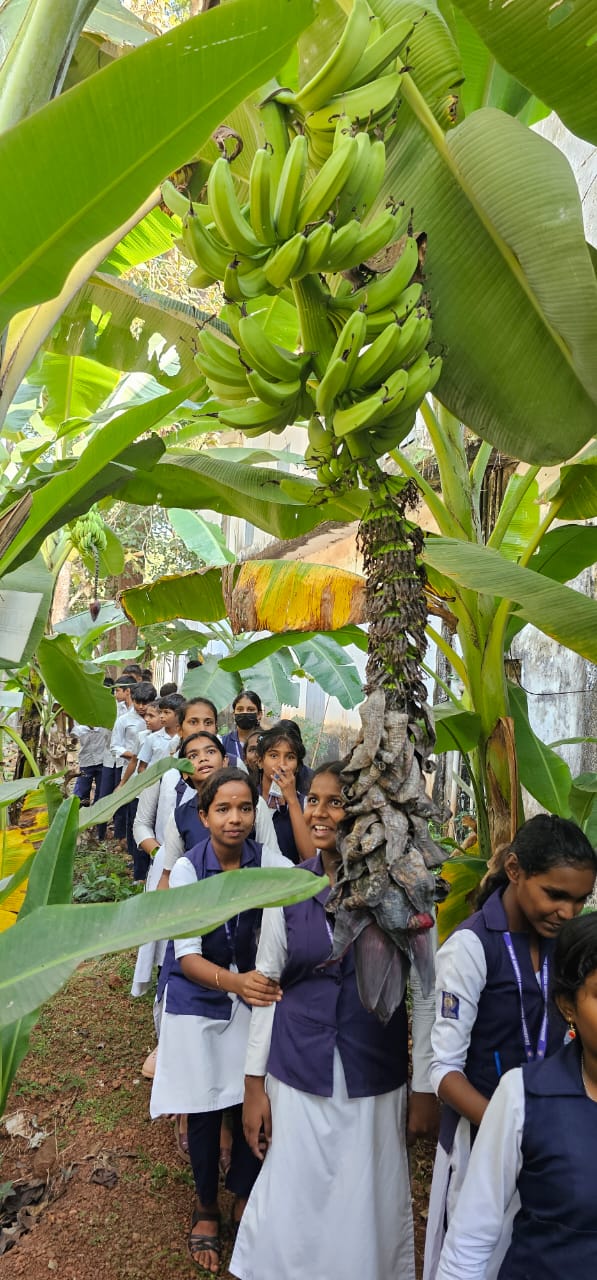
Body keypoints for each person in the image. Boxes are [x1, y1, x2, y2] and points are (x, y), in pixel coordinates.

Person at [230, 761, 439, 1280]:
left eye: (336, 801)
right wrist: (254, 1085)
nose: (319, 813)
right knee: (295, 1189)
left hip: (374, 1071)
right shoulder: (290, 889)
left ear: (368, 813)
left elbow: (426, 994)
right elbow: (266, 985)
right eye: (314, 799)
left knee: (363, 1194)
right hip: (297, 1066)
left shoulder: (405, 890)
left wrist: (425, 1087)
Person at [423, 814, 597, 1280]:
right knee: (475, 1250)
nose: (568, 912)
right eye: (556, 895)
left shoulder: (567, 946)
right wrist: (513, 1127)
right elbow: (442, 1071)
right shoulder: (471, 948)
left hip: (561, 1144)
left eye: (581, 900)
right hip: (480, 1141)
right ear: (516, 871)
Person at [150, 768, 292, 1273]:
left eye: (245, 808)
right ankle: (206, 1205)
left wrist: (253, 984)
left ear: (256, 815)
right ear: (204, 816)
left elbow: (297, 899)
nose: (235, 819)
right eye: (224, 809)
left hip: (253, 995)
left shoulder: (268, 861)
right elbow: (186, 956)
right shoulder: (189, 870)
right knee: (206, 1103)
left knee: (259, 1096)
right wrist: (239, 983)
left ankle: (245, 1190)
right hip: (203, 995)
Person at [158, 732, 282, 889]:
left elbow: (272, 864)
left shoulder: (255, 805)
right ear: (184, 772)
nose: (203, 758)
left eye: (210, 751)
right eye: (193, 756)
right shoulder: (179, 817)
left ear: (225, 761)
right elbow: (168, 874)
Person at [255, 724, 312, 864]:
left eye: (290, 757)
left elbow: (310, 857)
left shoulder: (305, 804)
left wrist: (292, 800)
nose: (281, 764)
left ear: (298, 766)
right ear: (260, 762)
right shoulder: (249, 801)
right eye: (273, 755)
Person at [137, 692, 185, 772]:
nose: (161, 716)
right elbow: (142, 767)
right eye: (160, 712)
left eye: (166, 712)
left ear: (178, 714)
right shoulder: (152, 738)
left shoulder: (185, 737)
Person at [221, 691, 263, 766]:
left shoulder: (268, 741)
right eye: (240, 709)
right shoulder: (223, 743)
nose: (245, 713)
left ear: (259, 714)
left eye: (250, 709)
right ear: (234, 715)